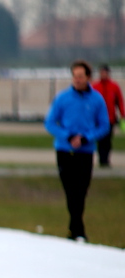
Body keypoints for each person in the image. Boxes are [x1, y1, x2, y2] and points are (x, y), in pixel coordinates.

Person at [45, 60, 109, 243]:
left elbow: (104, 125)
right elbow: (50, 123)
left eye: (81, 76)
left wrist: (86, 138)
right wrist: (68, 136)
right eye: (75, 76)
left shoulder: (96, 99)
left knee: (81, 191)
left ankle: (75, 229)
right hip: (65, 150)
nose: (77, 80)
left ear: (88, 77)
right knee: (70, 190)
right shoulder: (62, 98)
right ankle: (77, 229)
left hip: (85, 151)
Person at [91, 64, 124, 168]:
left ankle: (106, 159)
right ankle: (102, 159)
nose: (103, 74)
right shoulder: (95, 86)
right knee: (100, 140)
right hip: (98, 120)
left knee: (108, 140)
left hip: (110, 118)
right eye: (101, 73)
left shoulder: (114, 86)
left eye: (105, 72)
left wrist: (122, 114)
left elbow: (119, 101)